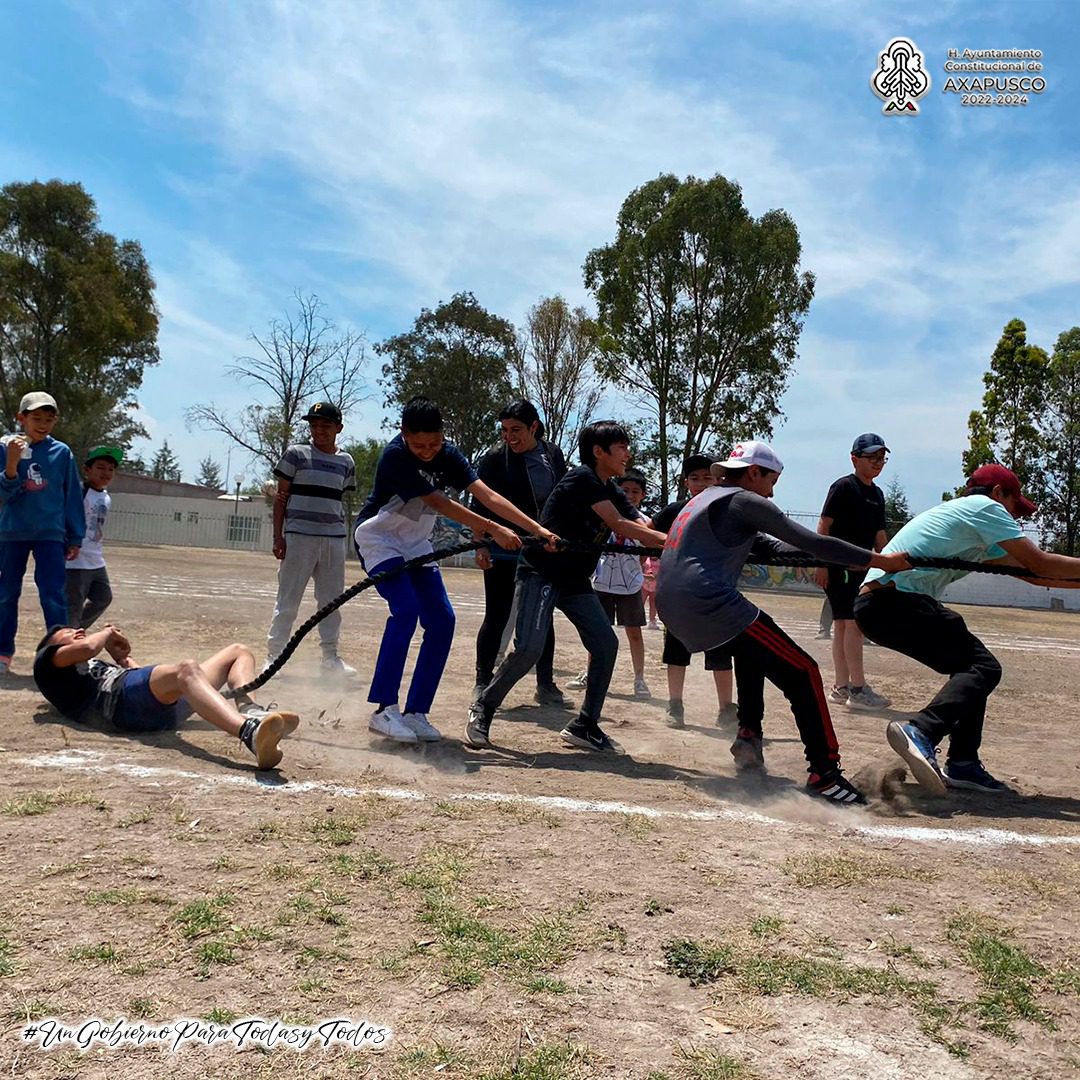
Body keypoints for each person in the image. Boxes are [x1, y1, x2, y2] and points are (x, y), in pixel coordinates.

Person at [656, 441, 909, 805]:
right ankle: (825, 774)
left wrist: (844, 557)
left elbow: (773, 548)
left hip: (675, 603)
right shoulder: (744, 500)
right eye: (771, 480)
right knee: (803, 670)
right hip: (708, 601)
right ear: (754, 473)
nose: (772, 491)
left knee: (752, 650)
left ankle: (748, 739)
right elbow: (807, 538)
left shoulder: (706, 499)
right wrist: (879, 561)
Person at [856, 463, 1080, 795]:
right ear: (997, 493)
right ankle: (922, 730)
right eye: (1014, 506)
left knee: (970, 669)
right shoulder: (984, 508)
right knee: (983, 667)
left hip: (880, 604)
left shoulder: (969, 523)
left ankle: (963, 763)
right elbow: (1040, 562)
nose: (1016, 517)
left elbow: (1034, 574)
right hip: (895, 599)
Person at [354, 397, 557, 744]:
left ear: (443, 436)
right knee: (405, 610)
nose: (428, 451)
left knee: (443, 620)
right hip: (381, 541)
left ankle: (416, 712)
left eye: (434, 443)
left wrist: (536, 529)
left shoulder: (449, 455)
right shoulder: (395, 456)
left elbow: (487, 495)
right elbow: (439, 503)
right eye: (419, 445)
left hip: (416, 543)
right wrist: (492, 529)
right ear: (403, 435)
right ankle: (384, 710)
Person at [466, 421, 667, 754]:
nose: (627, 454)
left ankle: (585, 725)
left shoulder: (610, 487)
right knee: (529, 648)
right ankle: (484, 708)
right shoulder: (584, 478)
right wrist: (671, 542)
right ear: (598, 452)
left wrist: (674, 530)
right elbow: (618, 523)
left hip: (574, 580)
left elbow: (640, 520)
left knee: (605, 644)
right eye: (621, 447)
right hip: (541, 572)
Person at [33, 624, 299, 770]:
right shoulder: (46, 661)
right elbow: (90, 647)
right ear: (52, 646)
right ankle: (249, 734)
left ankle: (252, 712)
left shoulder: (87, 668)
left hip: (142, 706)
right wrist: (108, 632)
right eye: (69, 633)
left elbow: (138, 678)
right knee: (186, 669)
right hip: (120, 705)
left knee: (238, 652)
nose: (78, 630)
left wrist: (122, 658)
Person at [472, 401, 568, 707]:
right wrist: (481, 545)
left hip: (541, 552)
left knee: (543, 617)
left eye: (516, 430)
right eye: (504, 431)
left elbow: (562, 498)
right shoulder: (493, 459)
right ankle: (482, 682)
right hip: (503, 550)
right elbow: (478, 507)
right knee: (497, 615)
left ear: (534, 427)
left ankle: (546, 684)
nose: (509, 437)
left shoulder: (552, 454)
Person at [267, 401, 358, 678]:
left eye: (326, 425)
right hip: (298, 536)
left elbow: (339, 498)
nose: (319, 430)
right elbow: (280, 500)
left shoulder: (347, 462)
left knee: (331, 601)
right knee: (288, 599)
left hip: (332, 539)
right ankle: (274, 658)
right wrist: (278, 537)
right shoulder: (295, 454)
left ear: (338, 428)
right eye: (314, 425)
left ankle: (330, 658)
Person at [0, 391, 84, 675]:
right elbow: (5, 495)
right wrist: (11, 464)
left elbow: (71, 494)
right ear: (21, 418)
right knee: (6, 593)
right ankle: (3, 652)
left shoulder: (61, 452)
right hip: (12, 532)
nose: (43, 424)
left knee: (52, 593)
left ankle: (58, 653)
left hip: (50, 532)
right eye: (36, 418)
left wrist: (75, 535)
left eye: (49, 419)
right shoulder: (4, 446)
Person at [652, 453, 737, 729]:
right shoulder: (676, 510)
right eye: (695, 478)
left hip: (718, 595)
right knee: (676, 652)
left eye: (707, 477)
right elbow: (647, 531)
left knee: (721, 654)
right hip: (680, 596)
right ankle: (675, 705)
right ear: (686, 482)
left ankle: (726, 709)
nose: (701, 483)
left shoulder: (727, 510)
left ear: (719, 479)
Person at [815, 433, 891, 710]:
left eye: (882, 458)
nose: (878, 463)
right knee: (853, 626)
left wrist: (888, 562)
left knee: (843, 626)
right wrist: (822, 563)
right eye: (872, 458)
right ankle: (857, 690)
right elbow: (823, 527)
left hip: (864, 569)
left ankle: (841, 687)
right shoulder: (843, 487)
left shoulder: (877, 494)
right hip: (841, 569)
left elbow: (879, 535)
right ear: (854, 459)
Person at [569, 466, 652, 698]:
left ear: (643, 495)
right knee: (597, 632)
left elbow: (646, 553)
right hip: (602, 582)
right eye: (624, 490)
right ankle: (590, 673)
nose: (630, 495)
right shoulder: (604, 516)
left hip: (631, 585)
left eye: (635, 491)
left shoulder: (645, 522)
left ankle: (639, 679)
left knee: (634, 633)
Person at [66, 445, 123, 630]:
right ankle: (65, 646)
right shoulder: (78, 493)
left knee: (103, 598)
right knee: (74, 606)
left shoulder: (106, 497)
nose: (106, 472)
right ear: (87, 470)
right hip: (76, 561)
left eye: (110, 469)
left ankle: (71, 632)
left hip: (96, 560)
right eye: (100, 467)